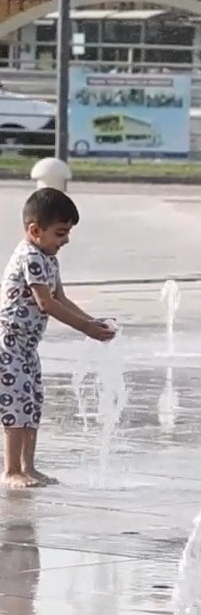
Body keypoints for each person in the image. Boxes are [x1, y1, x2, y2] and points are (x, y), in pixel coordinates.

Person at [1, 188, 116, 489]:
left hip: (26, 347)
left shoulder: (48, 257)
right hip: (8, 344)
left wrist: (92, 322)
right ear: (35, 230)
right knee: (15, 404)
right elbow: (46, 304)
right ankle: (11, 469)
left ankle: (29, 466)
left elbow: (60, 298)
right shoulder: (31, 256)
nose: (65, 240)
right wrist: (85, 329)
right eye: (60, 233)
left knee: (32, 402)